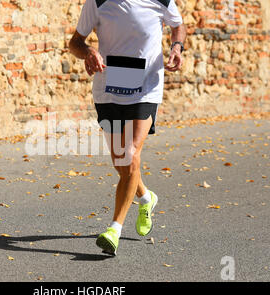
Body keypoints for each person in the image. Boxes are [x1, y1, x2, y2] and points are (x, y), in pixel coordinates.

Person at [69, 0, 186, 255]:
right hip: (110, 83)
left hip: (146, 84)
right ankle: (146, 197)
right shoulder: (97, 2)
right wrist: (88, 51)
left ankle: (114, 229)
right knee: (121, 161)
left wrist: (177, 47)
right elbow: (75, 42)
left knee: (131, 153)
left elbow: (178, 25)